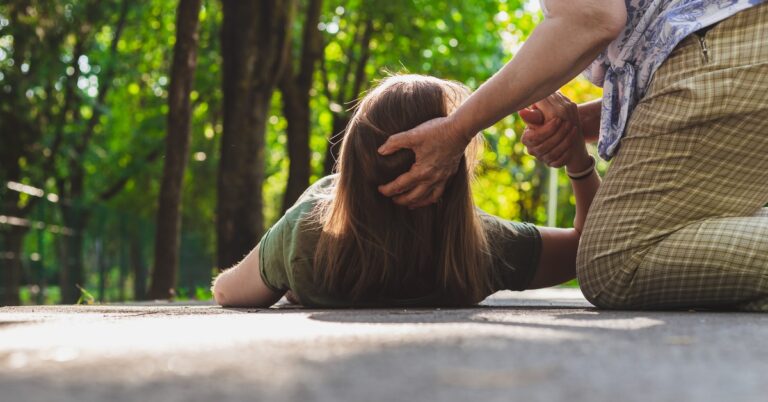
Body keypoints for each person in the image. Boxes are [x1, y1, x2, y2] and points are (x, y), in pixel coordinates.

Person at [376, 1, 768, 311]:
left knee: (614, 265)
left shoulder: (314, 238)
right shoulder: (487, 246)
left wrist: (457, 128)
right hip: (741, 44)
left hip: (731, 46)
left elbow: (591, 18)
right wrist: (575, 127)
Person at [211, 74, 600, 308]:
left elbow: (227, 292)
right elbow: (590, 249)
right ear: (452, 171)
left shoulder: (306, 235)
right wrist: (578, 163)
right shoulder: (482, 248)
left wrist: (294, 238)